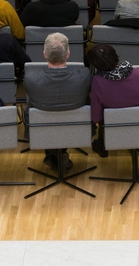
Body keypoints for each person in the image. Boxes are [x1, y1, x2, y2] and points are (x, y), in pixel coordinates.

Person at [24, 32, 91, 172]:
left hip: (42, 130)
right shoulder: (84, 76)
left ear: (44, 54)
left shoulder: (31, 79)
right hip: (76, 129)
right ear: (68, 54)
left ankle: (54, 154)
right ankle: (57, 154)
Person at [87, 44, 139, 173]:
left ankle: (103, 146)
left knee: (105, 116)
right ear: (116, 56)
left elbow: (96, 117)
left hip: (115, 130)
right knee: (135, 118)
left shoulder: (97, 81)